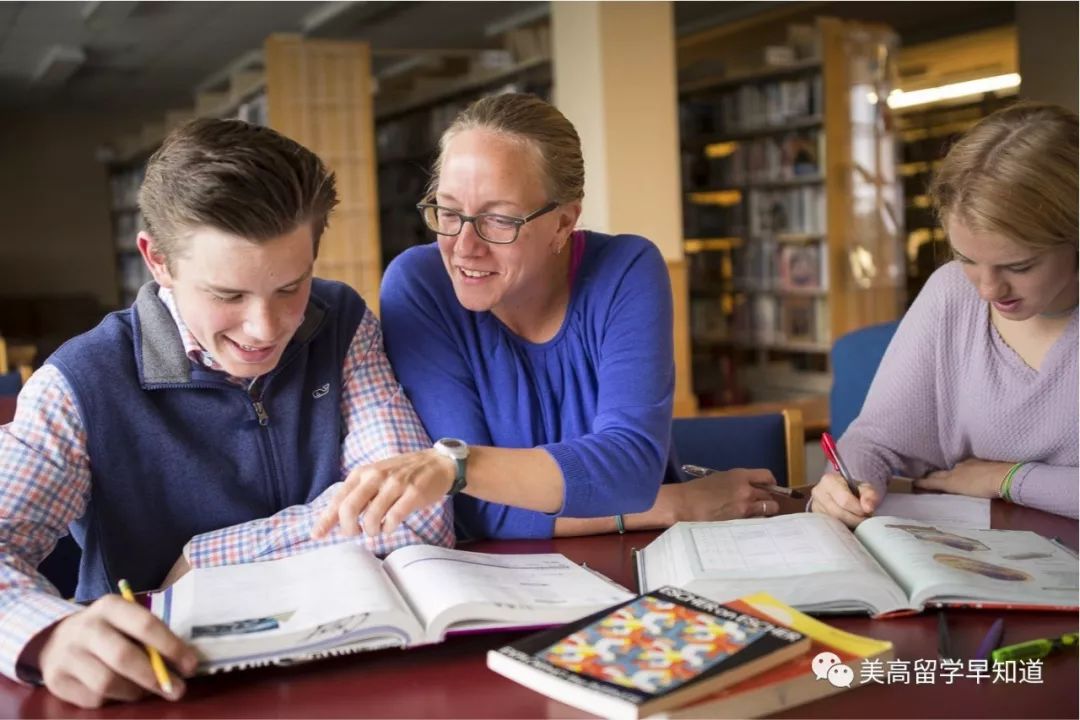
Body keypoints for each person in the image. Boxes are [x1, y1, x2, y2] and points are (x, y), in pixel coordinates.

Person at [0, 119, 452, 707]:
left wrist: (204, 555)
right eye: (228, 295)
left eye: (291, 287)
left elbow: (413, 514)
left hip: (348, 676)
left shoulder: (342, 321)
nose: (265, 331)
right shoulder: (76, 385)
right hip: (166, 690)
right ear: (157, 260)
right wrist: (48, 634)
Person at [313, 93, 780, 543]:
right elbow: (475, 511)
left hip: (647, 555)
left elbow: (630, 466)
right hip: (509, 576)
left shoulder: (627, 269)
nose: (463, 245)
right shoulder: (419, 285)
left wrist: (457, 468)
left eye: (499, 220)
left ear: (563, 223)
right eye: (449, 211)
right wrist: (679, 505)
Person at [811, 101, 1078, 526]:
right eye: (967, 258)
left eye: (1019, 266)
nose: (989, 290)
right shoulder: (952, 291)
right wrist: (845, 484)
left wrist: (1005, 478)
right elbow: (876, 439)